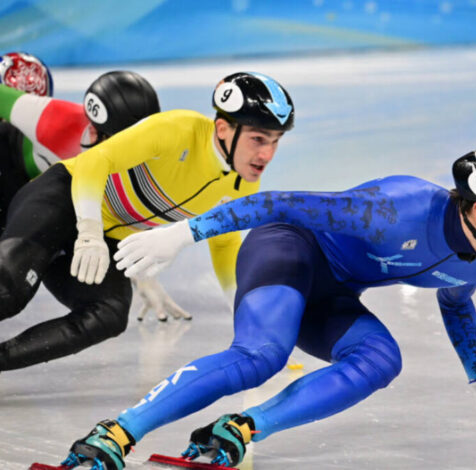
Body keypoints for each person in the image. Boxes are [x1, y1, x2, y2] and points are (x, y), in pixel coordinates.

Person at [62, 142, 476, 470]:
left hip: (333, 294)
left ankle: (239, 430)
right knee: (261, 356)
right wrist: (183, 233)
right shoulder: (396, 207)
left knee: (381, 360)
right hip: (287, 249)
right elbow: (277, 203)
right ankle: (116, 434)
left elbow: (456, 304)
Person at [0, 71, 294, 374]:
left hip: (107, 237)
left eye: (275, 141)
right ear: (222, 129)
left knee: (109, 314)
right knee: (9, 290)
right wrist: (89, 232)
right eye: (258, 139)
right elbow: (93, 161)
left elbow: (224, 242)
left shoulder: (242, 184)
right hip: (62, 198)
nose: (267, 154)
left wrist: (247, 320)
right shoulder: (176, 129)